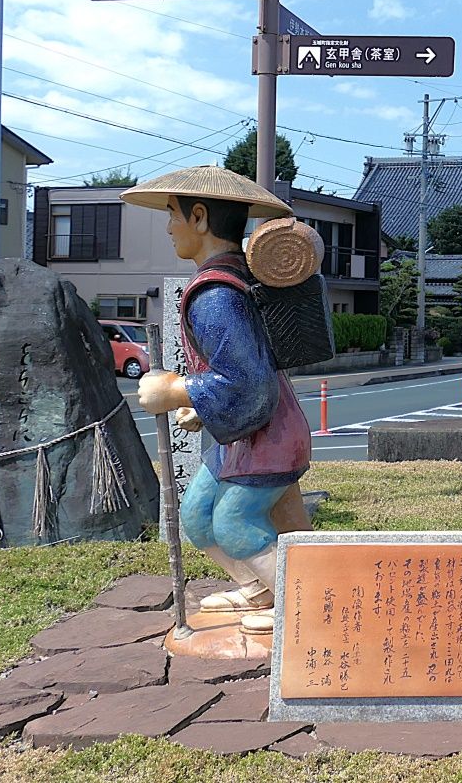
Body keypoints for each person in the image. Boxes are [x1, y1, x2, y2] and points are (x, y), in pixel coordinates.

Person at [123, 167, 311, 636]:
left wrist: (175, 391)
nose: (169, 227)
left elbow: (248, 384)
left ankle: (301, 606)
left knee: (232, 523)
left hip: (268, 435)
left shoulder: (216, 297)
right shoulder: (224, 282)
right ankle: (258, 587)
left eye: (173, 215)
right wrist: (198, 404)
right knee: (197, 518)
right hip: (246, 434)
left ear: (200, 218)